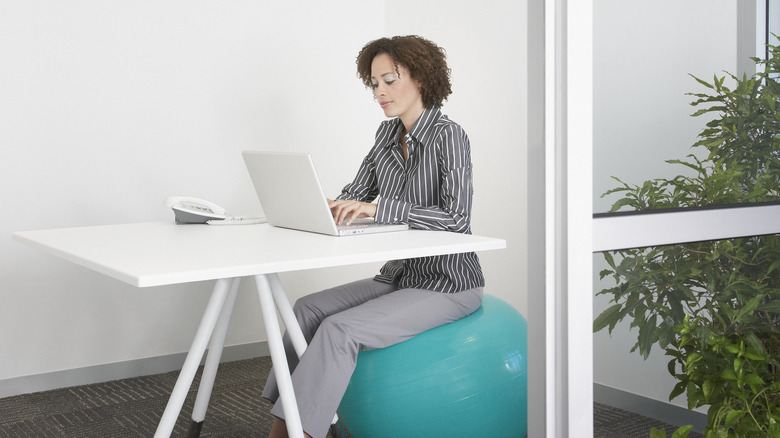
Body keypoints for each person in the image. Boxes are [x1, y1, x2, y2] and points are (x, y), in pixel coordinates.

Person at [263, 35, 484, 438]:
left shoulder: (449, 136)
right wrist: (322, 205)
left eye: (388, 80)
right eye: (374, 84)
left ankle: (297, 432)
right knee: (307, 310)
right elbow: (356, 195)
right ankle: (288, 422)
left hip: (449, 283)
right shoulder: (385, 137)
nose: (379, 92)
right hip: (398, 275)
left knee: (339, 329)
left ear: (420, 78)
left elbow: (456, 217)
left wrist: (379, 208)